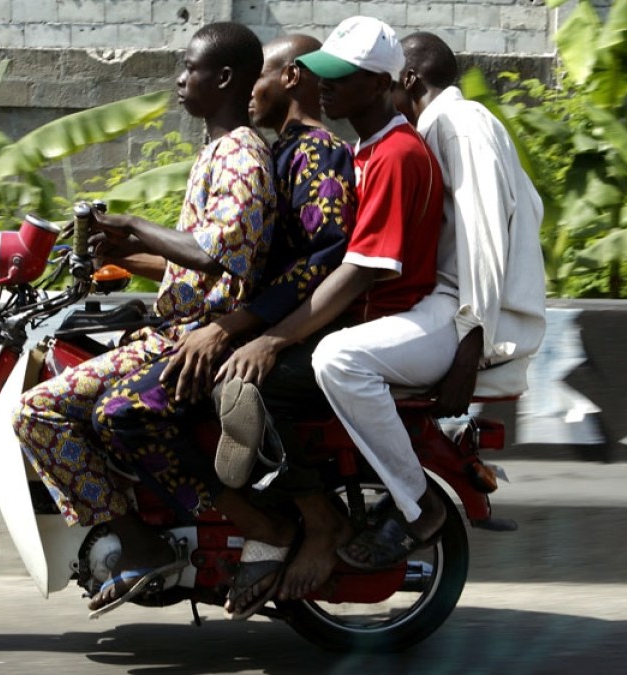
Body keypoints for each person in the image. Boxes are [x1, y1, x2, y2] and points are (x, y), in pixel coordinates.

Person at [11, 22, 275, 612]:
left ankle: (139, 544)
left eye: (190, 68)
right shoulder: (219, 151)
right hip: (178, 325)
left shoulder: (240, 155)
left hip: (195, 338)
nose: (180, 80)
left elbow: (215, 253)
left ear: (224, 78)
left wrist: (130, 223)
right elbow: (195, 263)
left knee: (39, 411)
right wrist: (121, 253)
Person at [93, 33, 357, 620]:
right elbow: (233, 257)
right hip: (254, 321)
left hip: (296, 329)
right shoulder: (276, 151)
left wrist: (240, 330)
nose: (245, 88)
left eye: (255, 75)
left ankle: (298, 524)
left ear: (289, 78)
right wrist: (125, 257)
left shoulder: (316, 154)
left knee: (162, 404)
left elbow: (320, 265)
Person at [213, 16, 445, 605]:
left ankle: (335, 520)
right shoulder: (364, 150)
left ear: (382, 83)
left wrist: (274, 339)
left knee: (258, 384)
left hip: (389, 320)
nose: (327, 87)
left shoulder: (394, 155)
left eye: (342, 78)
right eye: (324, 75)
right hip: (368, 319)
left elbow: (357, 268)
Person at [324, 31, 547, 569]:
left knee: (340, 361)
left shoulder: (460, 124)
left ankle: (416, 506)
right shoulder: (430, 129)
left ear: (404, 81)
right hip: (443, 306)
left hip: (457, 312)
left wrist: (471, 347)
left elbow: (484, 237)